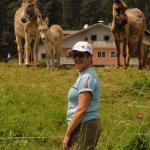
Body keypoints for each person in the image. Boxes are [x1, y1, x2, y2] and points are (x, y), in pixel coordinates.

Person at [63, 41, 102, 150]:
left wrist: (67, 134)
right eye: (74, 55)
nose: (77, 58)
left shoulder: (87, 77)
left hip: (85, 124)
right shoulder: (85, 75)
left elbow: (81, 109)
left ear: (90, 57)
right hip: (82, 124)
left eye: (81, 55)